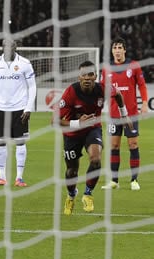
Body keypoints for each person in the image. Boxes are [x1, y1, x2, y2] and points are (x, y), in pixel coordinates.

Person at [56, 61, 132, 215]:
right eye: (84, 74)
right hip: (72, 133)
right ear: (79, 76)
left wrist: (124, 115)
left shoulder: (103, 88)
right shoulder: (71, 92)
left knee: (96, 160)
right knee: (71, 171)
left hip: (92, 129)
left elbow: (118, 95)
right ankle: (71, 195)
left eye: (90, 74)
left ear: (95, 76)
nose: (87, 78)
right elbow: (55, 121)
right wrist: (78, 123)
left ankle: (88, 194)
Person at [0, 38, 37, 187]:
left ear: (15, 47)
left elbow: (32, 87)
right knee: (1, 144)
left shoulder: (25, 64)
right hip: (2, 109)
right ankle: (2, 177)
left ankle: (19, 178)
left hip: (20, 109)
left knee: (20, 143)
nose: (7, 48)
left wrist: (28, 108)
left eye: (10, 45)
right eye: (4, 45)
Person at [100, 37, 149, 191]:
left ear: (125, 50)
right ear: (112, 50)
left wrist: (145, 103)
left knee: (133, 145)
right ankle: (114, 181)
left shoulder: (134, 65)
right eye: (115, 47)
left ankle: (134, 180)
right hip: (114, 114)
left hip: (131, 114)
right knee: (114, 146)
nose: (117, 50)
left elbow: (141, 85)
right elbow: (102, 89)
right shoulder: (106, 67)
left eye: (120, 47)